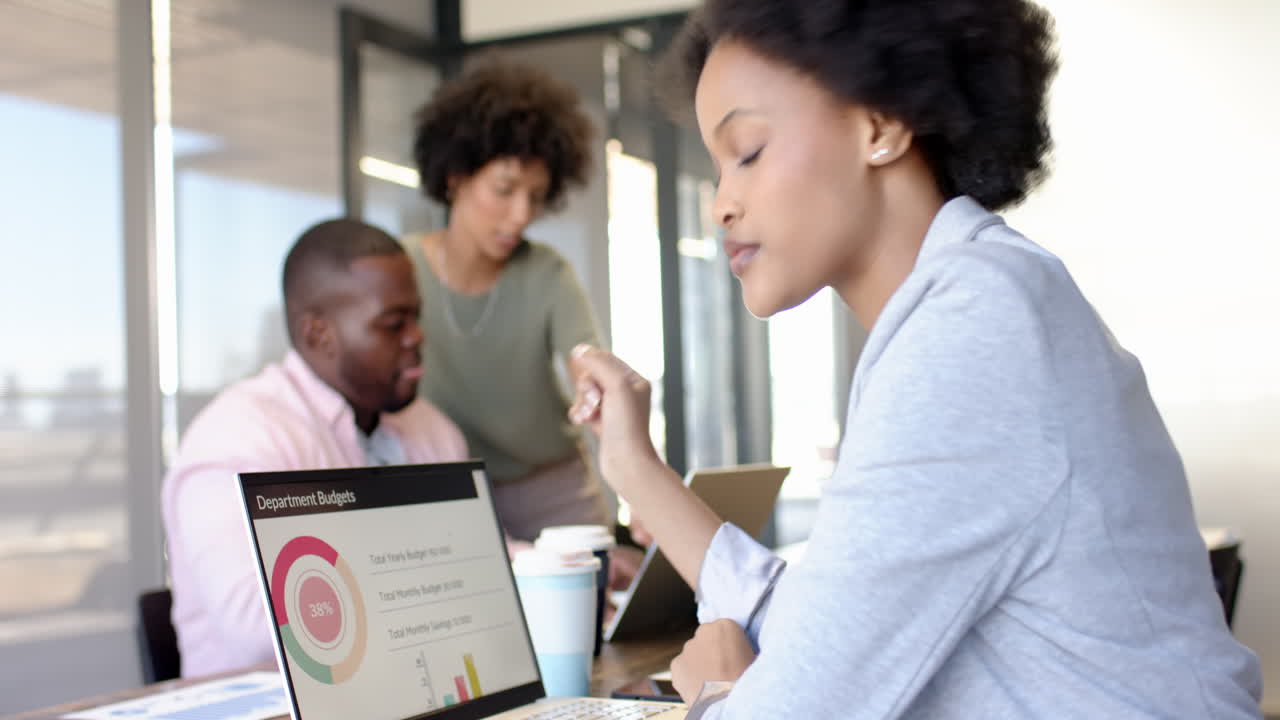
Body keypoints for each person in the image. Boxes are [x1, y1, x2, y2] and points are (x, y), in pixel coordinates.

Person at [565, 1, 1264, 718]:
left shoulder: (971, 329)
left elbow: (800, 705)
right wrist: (633, 470)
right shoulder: (977, 297)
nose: (722, 204)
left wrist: (722, 693)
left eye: (747, 151)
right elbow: (828, 629)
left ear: (881, 123)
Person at [162, 219, 467, 677]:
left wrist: (574, 564)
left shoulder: (430, 429)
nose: (417, 337)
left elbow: (478, 552)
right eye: (393, 323)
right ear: (317, 335)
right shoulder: (238, 437)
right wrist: (429, 576)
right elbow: (255, 629)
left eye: (416, 317)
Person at [404, 58, 610, 545]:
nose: (521, 215)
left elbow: (585, 359)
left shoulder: (547, 273)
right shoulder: (403, 270)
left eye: (536, 197)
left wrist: (596, 386)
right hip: (451, 497)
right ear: (455, 176)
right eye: (504, 189)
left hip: (554, 490)